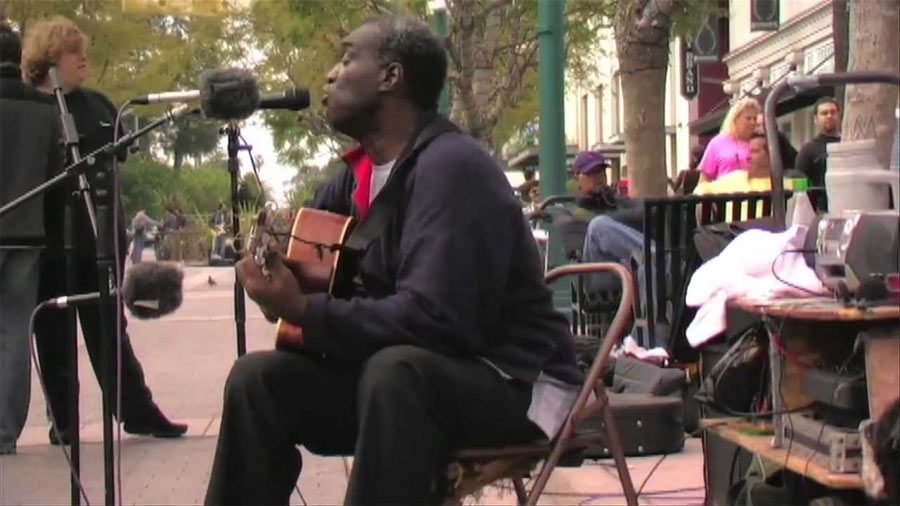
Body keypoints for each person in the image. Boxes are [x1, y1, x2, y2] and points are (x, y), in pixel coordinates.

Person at [205, 15, 582, 505]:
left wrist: (303, 310)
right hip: (406, 385)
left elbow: (438, 323)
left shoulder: (453, 168)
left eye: (347, 57)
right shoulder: (355, 177)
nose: (331, 74)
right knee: (257, 381)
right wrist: (279, 284)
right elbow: (314, 279)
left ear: (391, 76)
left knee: (395, 370)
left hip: (515, 384)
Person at [22, 15, 186, 444]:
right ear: (52, 56)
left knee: (111, 333)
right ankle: (65, 423)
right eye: (77, 53)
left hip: (101, 240)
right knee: (54, 337)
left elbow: (118, 164)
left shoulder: (99, 104)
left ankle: (138, 412)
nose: (85, 61)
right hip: (50, 244)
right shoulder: (30, 108)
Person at [0, 20, 64, 456]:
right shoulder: (45, 108)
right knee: (15, 331)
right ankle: (4, 432)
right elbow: (56, 175)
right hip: (27, 233)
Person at [694, 133, 773, 221]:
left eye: (755, 152)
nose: (748, 157)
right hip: (732, 232)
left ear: (771, 156)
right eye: (748, 151)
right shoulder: (736, 178)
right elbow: (700, 190)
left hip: (735, 232)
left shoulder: (784, 184)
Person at [794, 96, 841, 211]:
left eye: (833, 112)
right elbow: (798, 187)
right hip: (819, 213)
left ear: (839, 116)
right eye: (824, 113)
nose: (829, 116)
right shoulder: (807, 150)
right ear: (816, 119)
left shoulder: (848, 145)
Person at [697, 97, 760, 181]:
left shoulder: (760, 143)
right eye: (748, 118)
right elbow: (704, 178)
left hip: (755, 193)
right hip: (724, 193)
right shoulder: (717, 143)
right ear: (735, 119)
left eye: (755, 119)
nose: (753, 122)